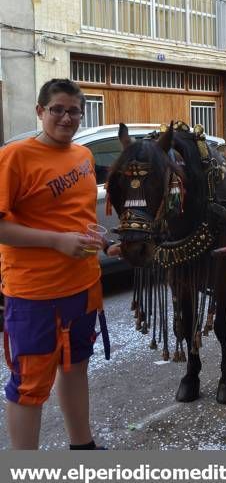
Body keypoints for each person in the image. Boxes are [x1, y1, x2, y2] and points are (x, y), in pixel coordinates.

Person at [0, 78, 111, 449]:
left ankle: (83, 446)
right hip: (34, 293)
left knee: (76, 365)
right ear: (40, 111)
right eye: (57, 110)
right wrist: (57, 242)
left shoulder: (83, 156)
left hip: (83, 286)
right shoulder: (14, 157)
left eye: (74, 111)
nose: (66, 118)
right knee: (29, 385)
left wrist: (101, 239)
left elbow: (78, 217)